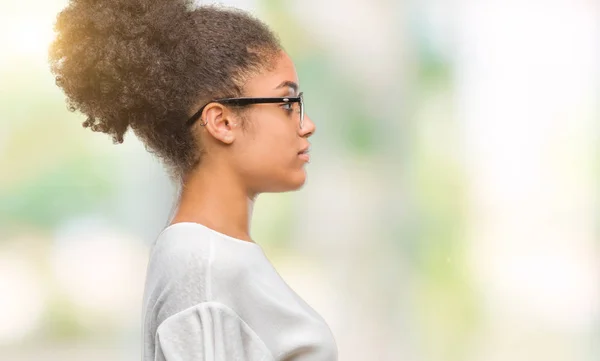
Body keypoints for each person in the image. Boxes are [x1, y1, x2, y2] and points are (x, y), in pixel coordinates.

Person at [49, 0, 338, 360]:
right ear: (222, 122)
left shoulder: (212, 257)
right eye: (286, 102)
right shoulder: (201, 265)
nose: (306, 124)